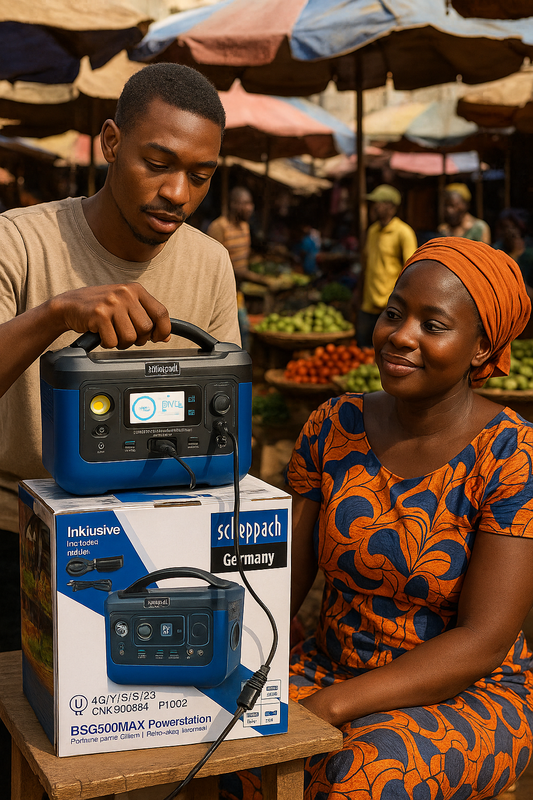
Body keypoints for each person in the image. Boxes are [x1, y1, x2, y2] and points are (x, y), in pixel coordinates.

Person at [0, 62, 240, 795]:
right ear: (110, 142)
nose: (177, 194)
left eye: (200, 176)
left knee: (134, 760)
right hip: (16, 537)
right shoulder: (22, 240)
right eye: (158, 164)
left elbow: (219, 423)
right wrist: (56, 315)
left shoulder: (209, 264)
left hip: (149, 551)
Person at [224, 238, 533, 800]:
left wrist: (328, 708)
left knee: (364, 775)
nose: (400, 334)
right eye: (394, 313)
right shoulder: (334, 424)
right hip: (328, 665)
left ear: (483, 348)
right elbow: (281, 578)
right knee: (217, 740)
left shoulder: (510, 453)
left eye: (432, 325)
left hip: (465, 693)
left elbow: (484, 640)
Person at [207, 186, 278, 348]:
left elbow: (241, 258)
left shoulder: (245, 227)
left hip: (238, 292)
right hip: (219, 294)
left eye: (250, 203)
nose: (250, 208)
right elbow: (216, 267)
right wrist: (260, 279)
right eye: (244, 203)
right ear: (233, 205)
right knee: (234, 335)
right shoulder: (219, 227)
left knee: (242, 332)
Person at [355, 184, 418, 348]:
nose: (375, 206)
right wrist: (358, 292)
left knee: (386, 349)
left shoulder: (403, 232)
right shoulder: (372, 231)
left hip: (389, 305)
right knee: (363, 347)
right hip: (368, 302)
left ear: (391, 207)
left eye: (379, 203)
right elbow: (366, 264)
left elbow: (411, 271)